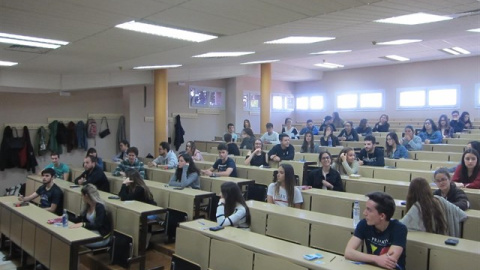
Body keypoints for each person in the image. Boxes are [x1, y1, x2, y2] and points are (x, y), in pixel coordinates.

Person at [344, 192, 407, 270]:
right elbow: (348, 252)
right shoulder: (364, 224)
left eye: (369, 210)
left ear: (382, 216)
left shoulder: (399, 229)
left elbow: (389, 262)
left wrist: (364, 257)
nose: (364, 213)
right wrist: (376, 259)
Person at [400, 178, 467, 237]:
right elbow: (462, 214)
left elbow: (402, 226)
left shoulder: (417, 207)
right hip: (443, 234)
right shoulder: (439, 199)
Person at [70, 184, 112, 248]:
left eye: (82, 195)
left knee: (75, 241)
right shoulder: (87, 206)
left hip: (102, 237)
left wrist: (83, 224)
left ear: (86, 196)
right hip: (92, 232)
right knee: (73, 235)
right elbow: (80, 219)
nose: (82, 197)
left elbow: (97, 225)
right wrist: (67, 217)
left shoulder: (100, 207)